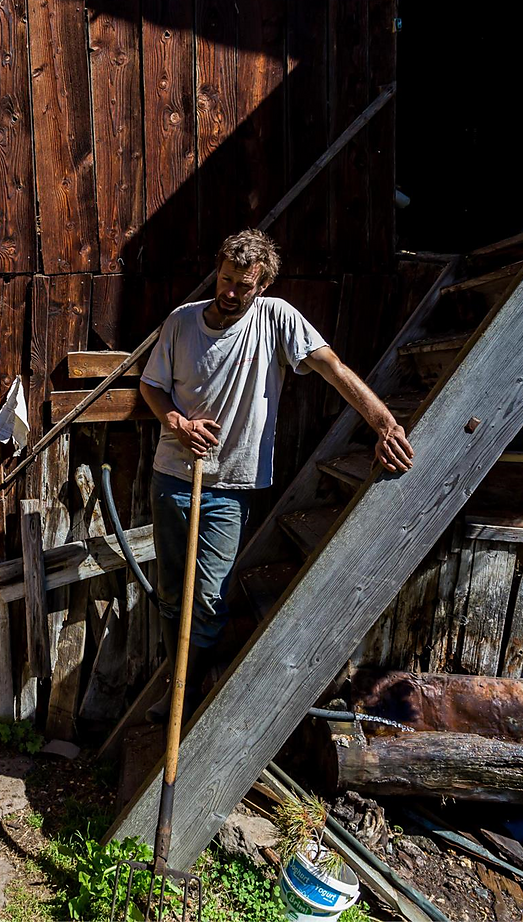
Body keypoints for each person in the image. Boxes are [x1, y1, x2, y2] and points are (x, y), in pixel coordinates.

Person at [139, 229, 414, 719]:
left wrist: (384, 424)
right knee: (170, 592)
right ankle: (176, 686)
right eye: (225, 279)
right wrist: (176, 422)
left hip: (231, 486)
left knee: (207, 596)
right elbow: (152, 386)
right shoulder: (181, 322)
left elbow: (333, 368)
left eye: (242, 285)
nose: (230, 292)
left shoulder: (275, 318)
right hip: (174, 477)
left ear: (262, 285)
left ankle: (193, 688)